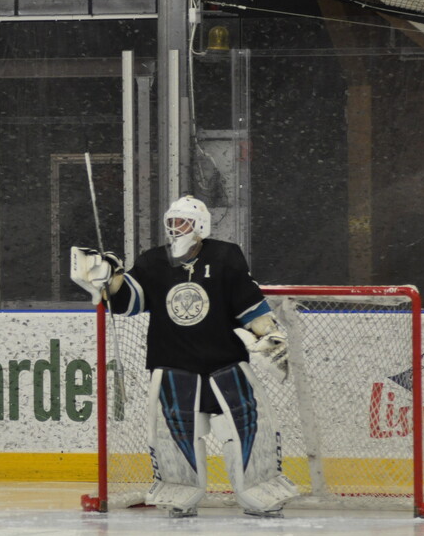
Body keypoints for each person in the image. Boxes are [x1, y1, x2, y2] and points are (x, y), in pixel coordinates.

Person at [70, 194, 297, 518]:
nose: (176, 228)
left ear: (200, 225)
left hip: (225, 362)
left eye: (183, 222)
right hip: (173, 364)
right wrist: (109, 279)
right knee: (175, 431)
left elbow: (247, 303)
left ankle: (258, 490)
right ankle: (180, 491)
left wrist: (268, 336)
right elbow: (130, 301)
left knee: (246, 425)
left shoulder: (225, 256)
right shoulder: (153, 262)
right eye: (172, 222)